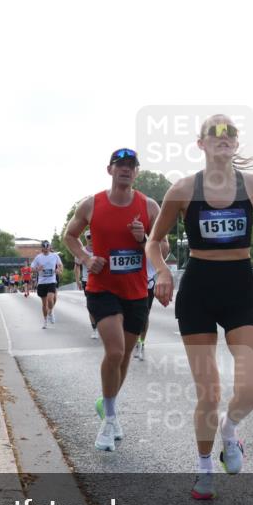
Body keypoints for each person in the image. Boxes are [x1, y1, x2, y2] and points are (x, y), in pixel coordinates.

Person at [147, 116, 253, 500]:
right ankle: (204, 466)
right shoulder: (183, 189)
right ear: (201, 144)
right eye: (215, 134)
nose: (223, 139)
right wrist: (161, 272)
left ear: (236, 145)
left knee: (251, 390)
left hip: (240, 287)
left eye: (230, 134)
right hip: (199, 289)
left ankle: (229, 429)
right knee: (208, 392)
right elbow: (153, 242)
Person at [65, 147, 163, 453]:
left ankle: (108, 405)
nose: (125, 170)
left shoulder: (149, 207)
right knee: (115, 349)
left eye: (130, 166)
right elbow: (70, 236)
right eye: (119, 165)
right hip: (102, 288)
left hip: (136, 292)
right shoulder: (91, 204)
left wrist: (143, 240)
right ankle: (108, 421)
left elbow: (165, 249)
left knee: (125, 356)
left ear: (136, 172)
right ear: (110, 170)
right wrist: (85, 256)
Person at [133, 239, 170, 361]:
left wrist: (148, 241)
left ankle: (141, 342)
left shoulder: (155, 229)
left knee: (144, 315)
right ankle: (131, 340)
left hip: (147, 281)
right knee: (126, 313)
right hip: (129, 278)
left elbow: (165, 248)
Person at [31, 240, 63, 328]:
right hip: (42, 283)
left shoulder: (55, 256)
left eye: (47, 247)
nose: (46, 249)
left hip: (51, 281)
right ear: (42, 248)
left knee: (50, 299)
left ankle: (51, 312)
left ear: (50, 247)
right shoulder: (38, 258)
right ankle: (45, 321)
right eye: (44, 247)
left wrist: (58, 271)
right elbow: (32, 268)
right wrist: (37, 268)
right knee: (44, 304)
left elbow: (60, 266)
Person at [75, 230, 99, 339]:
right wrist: (78, 280)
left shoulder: (101, 248)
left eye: (93, 236)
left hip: (102, 280)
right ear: (86, 239)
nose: (91, 239)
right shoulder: (82, 252)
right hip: (87, 281)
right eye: (89, 237)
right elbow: (77, 266)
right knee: (92, 306)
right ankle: (95, 329)